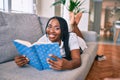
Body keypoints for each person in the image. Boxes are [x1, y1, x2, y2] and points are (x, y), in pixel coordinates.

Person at [14, 16, 85, 70]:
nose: (51, 31)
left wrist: (69, 65)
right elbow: (34, 50)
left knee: (82, 38)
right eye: (49, 27)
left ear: (63, 30)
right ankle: (73, 24)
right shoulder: (45, 38)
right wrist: (24, 59)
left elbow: (77, 60)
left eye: (57, 28)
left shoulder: (71, 37)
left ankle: (75, 24)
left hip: (79, 43)